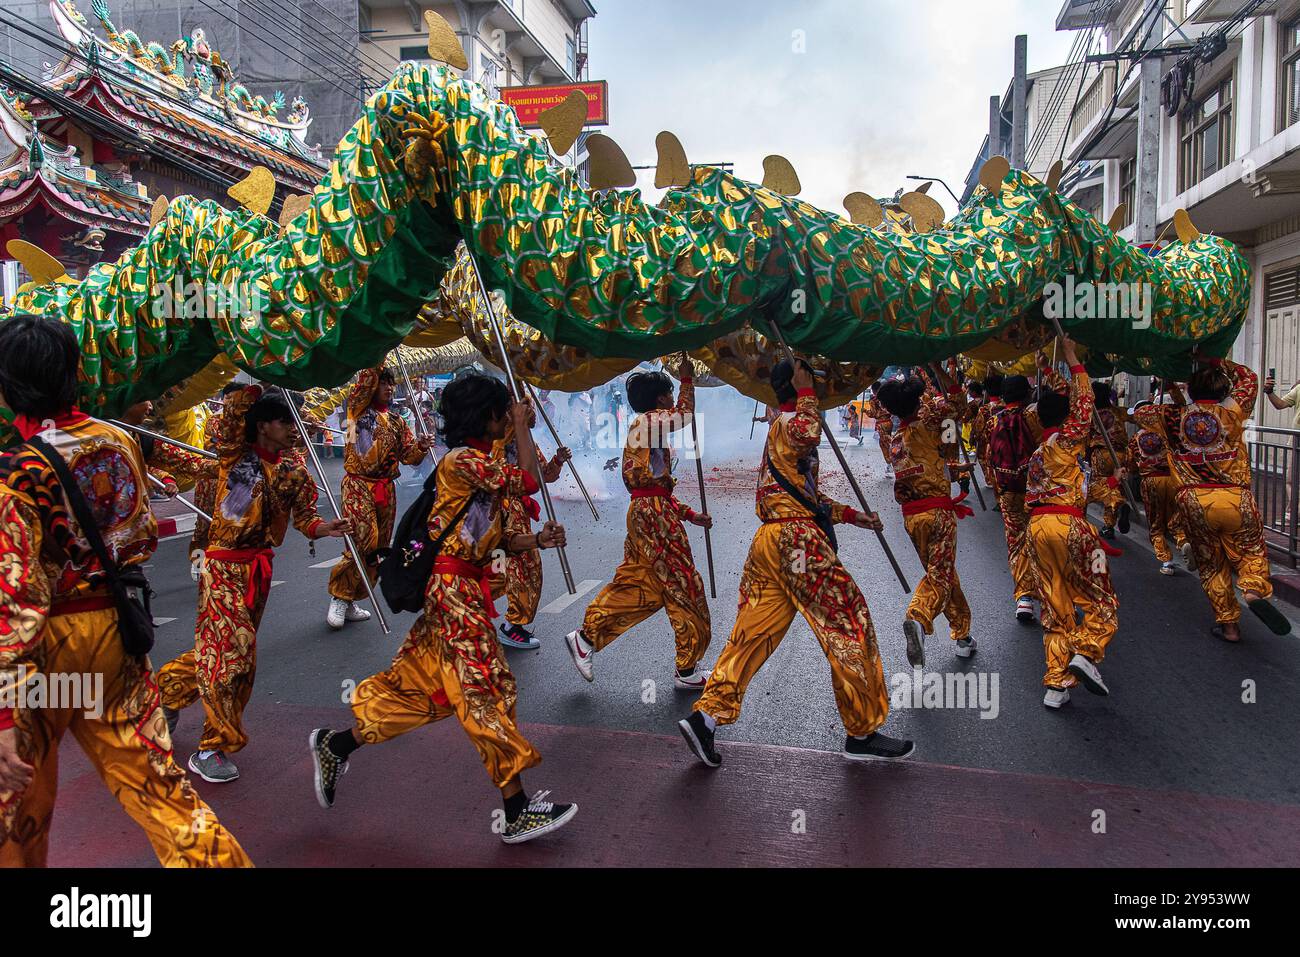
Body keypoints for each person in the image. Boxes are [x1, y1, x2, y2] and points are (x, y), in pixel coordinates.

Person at [0, 315, 251, 867]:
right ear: (74, 373)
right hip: (115, 630)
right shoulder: (118, 441)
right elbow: (138, 536)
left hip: (46, 645)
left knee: (20, 804)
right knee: (159, 787)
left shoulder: (15, 470)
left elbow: (14, 598)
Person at [308, 373, 579, 845]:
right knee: (485, 689)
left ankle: (337, 743)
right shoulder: (463, 461)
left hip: (460, 587)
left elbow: (488, 539)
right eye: (502, 413)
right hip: (453, 591)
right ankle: (515, 808)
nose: (506, 420)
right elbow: (529, 481)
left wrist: (534, 539)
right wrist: (523, 425)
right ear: (488, 416)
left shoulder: (479, 466)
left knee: (422, 693)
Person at [678, 357, 913, 767]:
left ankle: (706, 719)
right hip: (797, 544)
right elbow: (807, 429)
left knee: (751, 636)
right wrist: (805, 392)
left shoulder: (780, 431)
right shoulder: (791, 424)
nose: (818, 389)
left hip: (771, 543)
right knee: (848, 621)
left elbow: (807, 498)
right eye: (811, 381)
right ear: (798, 385)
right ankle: (862, 731)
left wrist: (853, 516)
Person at [157, 386, 350, 783]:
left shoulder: (295, 473)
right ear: (262, 425)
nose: (295, 430)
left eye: (297, 422)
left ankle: (166, 690)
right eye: (286, 422)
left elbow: (305, 519)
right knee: (235, 654)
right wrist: (263, 377)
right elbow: (233, 414)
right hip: (222, 566)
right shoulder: (234, 455)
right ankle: (214, 745)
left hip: (258, 570)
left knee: (219, 650)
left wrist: (325, 529)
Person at [565, 356, 713, 688]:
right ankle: (687, 669)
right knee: (683, 585)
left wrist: (689, 514)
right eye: (671, 393)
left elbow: (655, 487)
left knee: (643, 586)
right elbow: (685, 416)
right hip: (652, 516)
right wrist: (688, 379)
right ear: (660, 399)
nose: (674, 398)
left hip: (650, 513)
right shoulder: (648, 423)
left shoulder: (647, 429)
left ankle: (586, 638)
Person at [1134, 357, 1291, 642]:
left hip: (1194, 501)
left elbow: (1139, 414)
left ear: (1192, 390)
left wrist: (1170, 385)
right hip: (1236, 497)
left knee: (1211, 564)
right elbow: (1249, 378)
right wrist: (1216, 360)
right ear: (1223, 391)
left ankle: (1229, 625)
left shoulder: (1170, 417)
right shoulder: (1233, 411)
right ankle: (1254, 588)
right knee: (1251, 551)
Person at [1024, 337, 1119, 710]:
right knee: (1102, 598)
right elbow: (1085, 402)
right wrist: (1072, 358)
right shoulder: (1066, 441)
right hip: (1073, 531)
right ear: (1066, 421)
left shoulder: (1040, 454)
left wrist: (1110, 483)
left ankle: (1056, 682)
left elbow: (1077, 488)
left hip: (1039, 531)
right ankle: (1086, 650)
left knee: (1056, 604)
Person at [876, 367, 975, 665]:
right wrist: (939, 369)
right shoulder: (930, 424)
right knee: (940, 576)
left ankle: (962, 634)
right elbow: (956, 404)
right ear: (918, 402)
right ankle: (918, 617)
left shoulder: (896, 439)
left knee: (941, 574)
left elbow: (942, 446)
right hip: (938, 514)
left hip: (912, 519)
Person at [326, 368, 431, 631]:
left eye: (391, 384)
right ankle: (338, 596)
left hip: (386, 489)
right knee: (363, 540)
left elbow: (408, 457)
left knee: (378, 548)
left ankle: (352, 598)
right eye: (383, 383)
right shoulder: (357, 411)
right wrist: (379, 352)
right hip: (358, 485)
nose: (388, 388)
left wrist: (421, 446)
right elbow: (363, 383)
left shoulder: (397, 421)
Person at [491, 397, 571, 650]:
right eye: (524, 406)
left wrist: (557, 460)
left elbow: (542, 476)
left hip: (519, 512)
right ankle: (509, 625)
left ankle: (508, 622)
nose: (531, 411)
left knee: (518, 568)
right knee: (512, 567)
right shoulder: (495, 442)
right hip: (497, 512)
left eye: (530, 406)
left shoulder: (525, 441)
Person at [988, 374, 1040, 623]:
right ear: (1027, 394)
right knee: (1043, 541)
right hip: (1039, 491)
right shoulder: (1034, 418)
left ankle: (1025, 598)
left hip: (1008, 492)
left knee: (1017, 544)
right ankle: (1054, 597)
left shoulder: (992, 422)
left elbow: (990, 457)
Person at [188, 384, 245, 581]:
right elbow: (223, 439)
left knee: (233, 522)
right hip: (210, 479)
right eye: (230, 398)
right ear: (224, 399)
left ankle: (226, 565)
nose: (233, 402)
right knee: (204, 523)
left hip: (236, 480)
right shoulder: (215, 420)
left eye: (238, 398)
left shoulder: (249, 421)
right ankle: (197, 562)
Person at [1128, 399, 1191, 576]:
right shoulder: (1167, 435)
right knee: (1174, 519)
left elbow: (1131, 464)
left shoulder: (1136, 439)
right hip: (1172, 480)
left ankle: (1166, 561)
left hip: (1151, 481)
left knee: (1156, 524)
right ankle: (1182, 540)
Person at [1087, 381, 1132, 539]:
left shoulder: (1091, 414)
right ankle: (1111, 519)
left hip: (1101, 454)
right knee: (1116, 486)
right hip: (1121, 454)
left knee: (1103, 487)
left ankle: (1114, 513)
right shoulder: (1117, 412)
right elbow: (1133, 415)